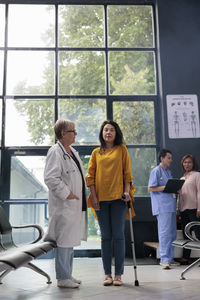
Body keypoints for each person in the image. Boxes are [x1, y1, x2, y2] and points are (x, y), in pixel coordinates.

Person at [86, 120, 135, 286]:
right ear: (101, 133)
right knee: (105, 237)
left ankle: (118, 275)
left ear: (116, 133)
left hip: (119, 199)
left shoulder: (122, 149)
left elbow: (127, 173)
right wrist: (93, 197)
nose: (108, 132)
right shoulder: (95, 153)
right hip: (100, 200)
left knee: (119, 236)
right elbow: (90, 177)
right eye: (105, 130)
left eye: (111, 130)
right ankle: (107, 274)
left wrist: (127, 191)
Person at [44, 119, 88, 288]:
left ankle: (67, 274)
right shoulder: (55, 151)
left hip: (74, 205)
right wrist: (67, 194)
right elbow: (50, 178)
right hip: (64, 206)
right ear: (63, 133)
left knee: (70, 241)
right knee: (64, 242)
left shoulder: (72, 152)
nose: (76, 134)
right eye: (73, 131)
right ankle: (62, 278)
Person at [148, 149, 178, 270]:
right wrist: (166, 187)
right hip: (162, 206)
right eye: (169, 158)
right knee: (165, 233)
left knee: (172, 233)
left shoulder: (168, 172)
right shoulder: (156, 171)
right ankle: (164, 259)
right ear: (162, 158)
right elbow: (151, 188)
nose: (171, 160)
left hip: (170, 206)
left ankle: (170, 259)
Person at [177, 154, 200, 265]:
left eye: (189, 162)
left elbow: (199, 192)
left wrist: (199, 208)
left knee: (198, 233)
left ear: (193, 163)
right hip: (183, 209)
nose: (187, 164)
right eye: (185, 162)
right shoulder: (181, 179)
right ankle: (185, 258)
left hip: (194, 208)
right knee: (186, 234)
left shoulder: (197, 175)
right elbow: (180, 196)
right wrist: (178, 209)